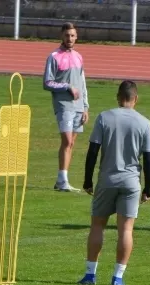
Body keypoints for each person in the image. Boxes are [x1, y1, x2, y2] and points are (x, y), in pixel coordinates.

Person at [78, 80, 150, 285]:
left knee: (97, 226)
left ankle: (90, 274)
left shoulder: (104, 117)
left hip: (107, 179)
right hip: (131, 181)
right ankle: (117, 277)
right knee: (126, 230)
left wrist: (87, 180)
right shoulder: (144, 123)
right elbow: (149, 159)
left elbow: (93, 151)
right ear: (136, 98)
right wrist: (148, 188)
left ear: (118, 97)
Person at [43, 23, 90, 192]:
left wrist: (85, 106)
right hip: (64, 106)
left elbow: (82, 83)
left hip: (78, 107)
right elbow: (47, 82)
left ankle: (61, 180)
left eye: (72, 35)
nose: (69, 38)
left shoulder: (78, 57)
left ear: (76, 37)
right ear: (61, 36)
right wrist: (67, 87)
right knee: (67, 141)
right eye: (67, 35)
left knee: (71, 143)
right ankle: (62, 180)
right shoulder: (54, 57)